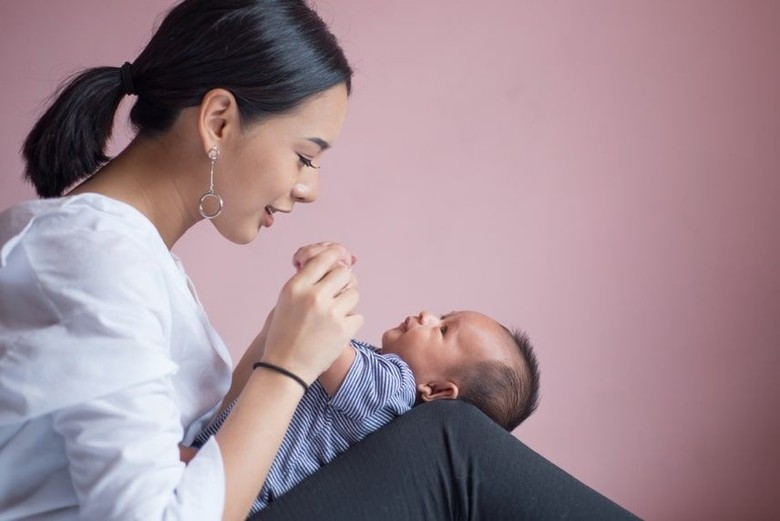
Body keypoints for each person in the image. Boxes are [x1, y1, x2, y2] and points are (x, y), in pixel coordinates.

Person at [0, 1, 639, 519]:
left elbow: (197, 433)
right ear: (219, 121)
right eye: (306, 155)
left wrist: (286, 340)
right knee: (451, 440)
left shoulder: (122, 255)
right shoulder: (91, 257)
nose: (310, 187)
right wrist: (288, 362)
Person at [191, 242, 542, 515]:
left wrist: (328, 274)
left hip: (248, 495)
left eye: (444, 329)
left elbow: (319, 336)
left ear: (435, 391)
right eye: (442, 314)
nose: (427, 315)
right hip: (225, 464)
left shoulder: (392, 394)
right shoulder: (378, 371)